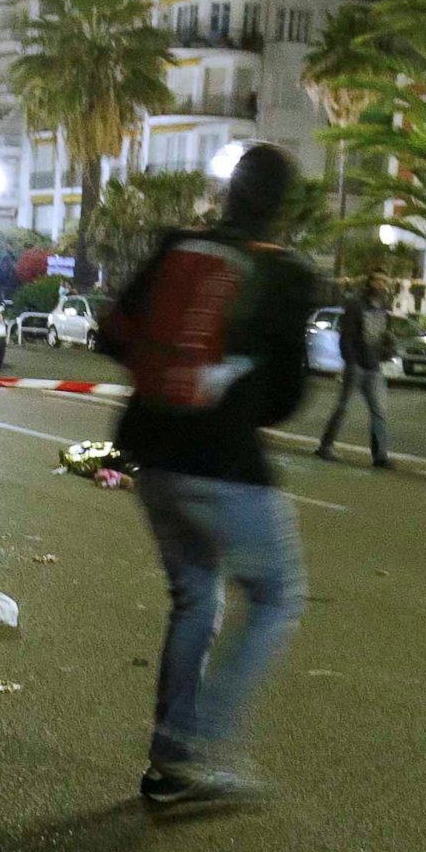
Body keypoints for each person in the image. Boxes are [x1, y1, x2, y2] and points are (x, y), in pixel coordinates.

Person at [99, 141, 316, 811]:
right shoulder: (286, 274)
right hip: (222, 462)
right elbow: (289, 394)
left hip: (151, 449)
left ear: (228, 193)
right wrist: (234, 397)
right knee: (278, 595)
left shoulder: (175, 247)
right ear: (281, 206)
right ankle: (193, 749)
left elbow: (111, 333)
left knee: (196, 594)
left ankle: (170, 762)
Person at [316, 270, 395, 468]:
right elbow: (347, 337)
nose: (382, 285)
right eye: (378, 281)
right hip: (357, 365)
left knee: (379, 412)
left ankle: (380, 456)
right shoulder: (356, 305)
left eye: (385, 282)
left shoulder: (384, 308)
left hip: (374, 367)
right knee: (343, 407)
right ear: (370, 282)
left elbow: (385, 334)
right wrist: (350, 361)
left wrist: (387, 350)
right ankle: (325, 445)